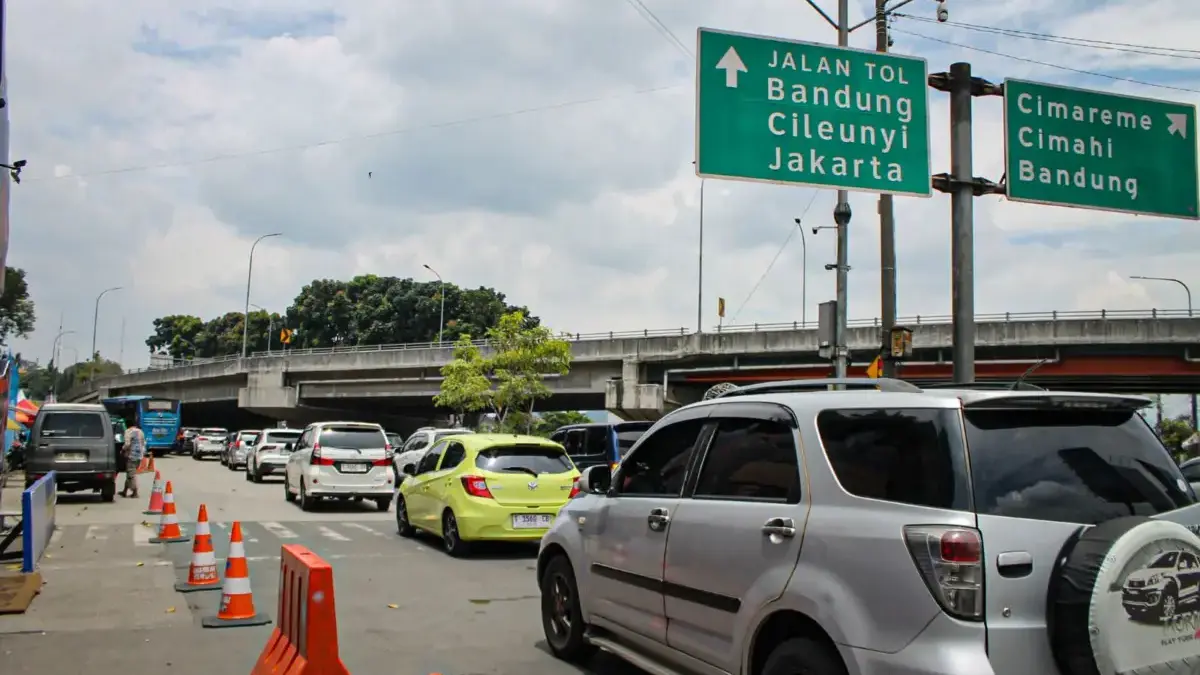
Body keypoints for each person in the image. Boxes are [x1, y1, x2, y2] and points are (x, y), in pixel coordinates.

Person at [121, 423, 145, 499]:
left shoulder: (128, 431)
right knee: (130, 473)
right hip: (139, 456)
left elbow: (127, 444)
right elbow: (143, 443)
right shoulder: (140, 431)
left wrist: (122, 450)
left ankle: (135, 492)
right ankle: (124, 491)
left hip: (131, 455)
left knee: (131, 474)